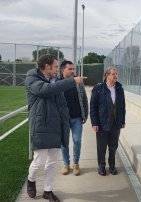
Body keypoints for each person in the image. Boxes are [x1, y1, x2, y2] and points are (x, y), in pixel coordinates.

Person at [25, 54, 85, 201]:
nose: (57, 69)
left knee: (52, 161)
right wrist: (72, 81)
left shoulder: (54, 80)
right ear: (46, 66)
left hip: (56, 126)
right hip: (41, 126)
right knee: (39, 160)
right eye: (56, 66)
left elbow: (62, 105)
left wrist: (65, 123)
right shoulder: (32, 79)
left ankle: (48, 190)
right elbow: (47, 90)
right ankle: (31, 180)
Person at [90, 66, 126, 176]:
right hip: (102, 123)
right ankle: (101, 166)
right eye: (113, 74)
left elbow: (122, 106)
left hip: (116, 123)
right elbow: (93, 106)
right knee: (101, 146)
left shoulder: (119, 88)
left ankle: (112, 166)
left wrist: (122, 120)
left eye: (116, 74)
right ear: (107, 75)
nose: (116, 76)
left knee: (113, 146)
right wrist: (94, 123)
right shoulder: (98, 88)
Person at [59, 60, 88, 176]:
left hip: (77, 118)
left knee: (77, 141)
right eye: (70, 69)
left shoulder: (78, 82)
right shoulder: (57, 83)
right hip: (63, 119)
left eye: (73, 69)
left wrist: (85, 114)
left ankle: (76, 164)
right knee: (64, 143)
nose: (72, 71)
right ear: (63, 70)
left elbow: (84, 99)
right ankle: (66, 165)